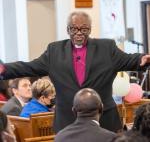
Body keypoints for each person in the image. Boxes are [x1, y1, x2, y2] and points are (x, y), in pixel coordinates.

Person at [0, 11, 150, 132]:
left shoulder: (106, 48)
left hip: (104, 121)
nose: (78, 33)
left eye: (83, 29)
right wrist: (4, 69)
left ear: (90, 29)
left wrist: (141, 59)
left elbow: (128, 59)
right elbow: (29, 66)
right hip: (67, 121)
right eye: (74, 29)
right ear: (68, 30)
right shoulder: (55, 51)